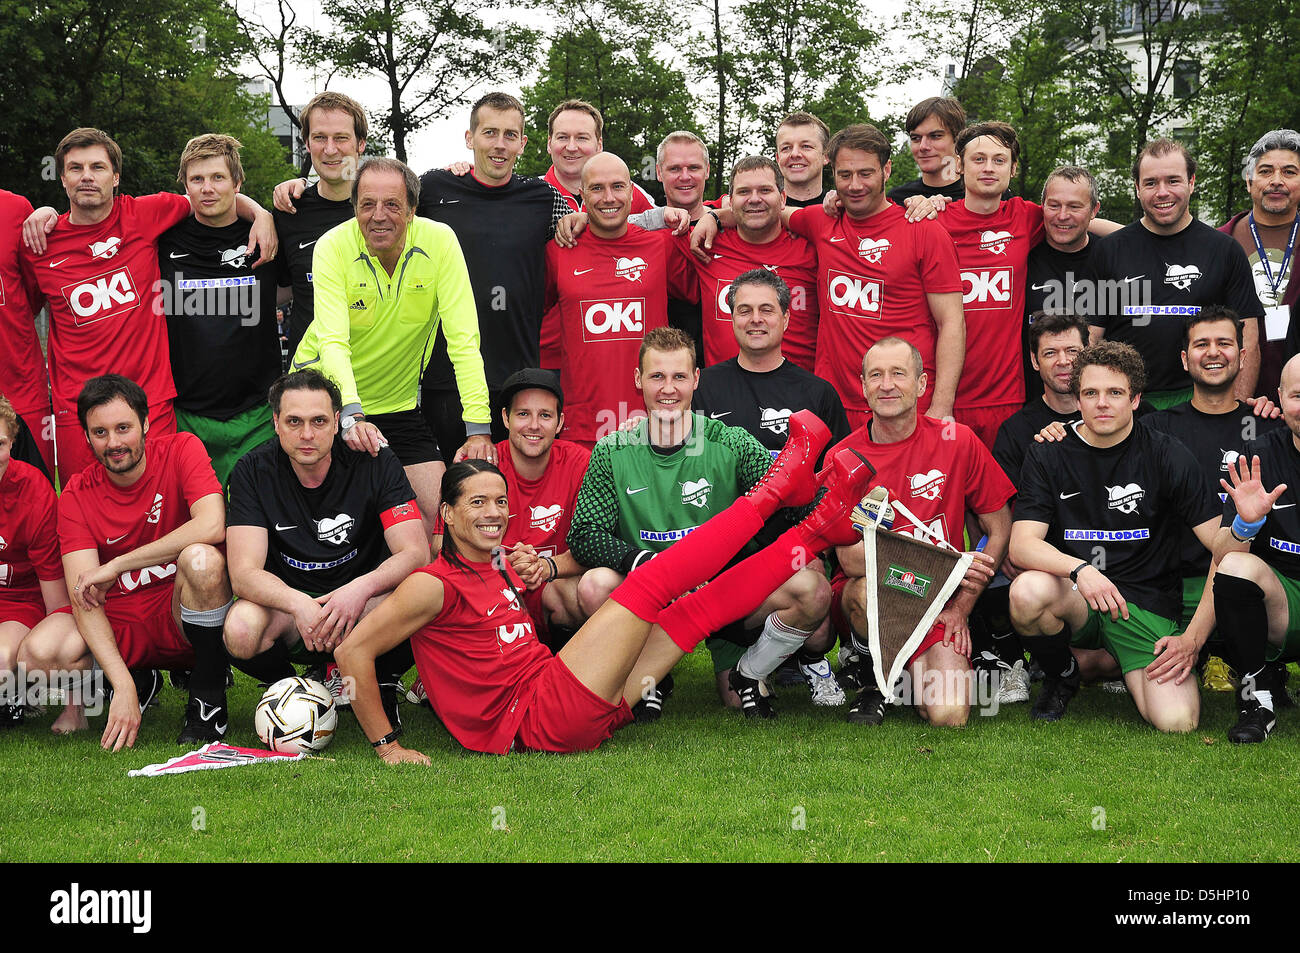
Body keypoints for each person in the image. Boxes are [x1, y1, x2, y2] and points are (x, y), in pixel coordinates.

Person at [333, 408, 876, 761]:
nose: (495, 513)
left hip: (583, 702)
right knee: (654, 581)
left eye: (501, 501)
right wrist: (387, 746)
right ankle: (782, 481)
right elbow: (354, 649)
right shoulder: (432, 584)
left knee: (696, 614)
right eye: (477, 503)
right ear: (446, 515)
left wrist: (537, 565)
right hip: (542, 715)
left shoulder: (493, 567)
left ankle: (818, 529)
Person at [568, 327, 844, 715]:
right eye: (657, 376)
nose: (668, 388)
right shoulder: (613, 449)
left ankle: (749, 671)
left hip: (721, 591)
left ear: (696, 379)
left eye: (679, 376)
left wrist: (840, 500)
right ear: (638, 380)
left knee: (813, 590)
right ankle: (652, 677)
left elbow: (790, 496)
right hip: (649, 589)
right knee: (595, 585)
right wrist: (644, 563)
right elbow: (584, 534)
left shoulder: (730, 441)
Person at [19, 127, 275, 478]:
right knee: (86, 514)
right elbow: (24, 311)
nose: (87, 177)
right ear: (62, 178)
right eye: (76, 169)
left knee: (164, 511)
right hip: (78, 410)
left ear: (116, 177)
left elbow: (210, 196)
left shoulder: (146, 214)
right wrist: (42, 212)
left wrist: (262, 214)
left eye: (98, 167)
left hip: (151, 404)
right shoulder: (40, 244)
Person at [1008, 342, 1220, 731]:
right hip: (1079, 598)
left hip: (1144, 604)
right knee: (1026, 592)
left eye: (1115, 393)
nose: (1102, 403)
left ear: (1136, 399)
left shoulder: (1167, 454)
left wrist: (1191, 639)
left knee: (1178, 721)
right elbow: (1022, 544)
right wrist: (1081, 570)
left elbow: (1224, 551)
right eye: (1091, 393)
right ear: (1077, 399)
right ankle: (1062, 673)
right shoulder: (1048, 453)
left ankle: (1105, 661)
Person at [18, 375, 233, 747]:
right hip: (123, 623)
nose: (114, 443)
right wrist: (121, 685)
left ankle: (207, 694)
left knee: (203, 561)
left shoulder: (183, 449)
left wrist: (119, 564)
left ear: (146, 424)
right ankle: (132, 680)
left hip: (179, 613)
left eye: (123, 428)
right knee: (37, 655)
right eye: (100, 432)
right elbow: (83, 596)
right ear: (86, 437)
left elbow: (213, 524)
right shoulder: (76, 494)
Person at [292, 156, 492, 539]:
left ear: (413, 210)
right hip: (325, 404)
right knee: (339, 531)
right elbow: (333, 342)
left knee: (450, 524)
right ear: (354, 208)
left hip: (399, 407)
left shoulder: (440, 241)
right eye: (367, 204)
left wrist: (478, 429)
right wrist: (349, 417)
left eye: (392, 205)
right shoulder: (333, 245)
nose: (378, 216)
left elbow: (463, 341)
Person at [222, 369, 429, 722]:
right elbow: (243, 574)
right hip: (291, 608)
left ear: (337, 422)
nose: (306, 434)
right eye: (294, 421)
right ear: (275, 422)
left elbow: (415, 552)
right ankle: (291, 689)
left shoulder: (375, 459)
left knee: (426, 595)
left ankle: (382, 682)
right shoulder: (252, 470)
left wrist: (358, 590)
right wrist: (297, 603)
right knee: (240, 631)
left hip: (366, 604)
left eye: (318, 421)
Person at [833, 337, 1013, 727]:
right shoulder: (843, 458)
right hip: (881, 593)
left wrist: (961, 607)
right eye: (875, 375)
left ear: (921, 384)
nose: (886, 385)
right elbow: (849, 560)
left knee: (950, 715)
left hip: (940, 603)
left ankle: (903, 673)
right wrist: (939, 567)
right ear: (862, 387)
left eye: (898, 374)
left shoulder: (958, 441)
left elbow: (999, 527)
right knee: (862, 592)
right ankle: (872, 679)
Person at [414, 93, 571, 455]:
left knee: (512, 495)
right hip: (446, 378)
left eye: (510, 135)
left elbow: (596, 225)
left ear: (523, 143)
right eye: (489, 133)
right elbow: (378, 209)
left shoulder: (543, 197)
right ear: (470, 138)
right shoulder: (433, 189)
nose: (499, 145)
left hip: (518, 380)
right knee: (455, 490)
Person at [1144, 308, 1283, 692]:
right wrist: (1060, 429)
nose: (1213, 352)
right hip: (1171, 583)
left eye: (1224, 343)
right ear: (1185, 359)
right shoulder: (1154, 428)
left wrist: (1282, 411)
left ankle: (1246, 658)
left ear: (1242, 356)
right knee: (1104, 663)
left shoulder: (1270, 426)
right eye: (1201, 344)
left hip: (1247, 579)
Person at [790, 124, 964, 427]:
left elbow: (951, 322)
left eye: (866, 174)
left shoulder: (923, 230)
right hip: (835, 405)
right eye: (845, 175)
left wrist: (942, 405)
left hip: (904, 404)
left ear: (886, 169)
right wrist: (715, 216)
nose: (855, 185)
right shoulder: (822, 221)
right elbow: (770, 213)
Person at [1088, 138, 1264, 407]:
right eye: (1150, 183)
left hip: (1201, 401)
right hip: (1125, 403)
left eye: (1173, 181)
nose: (1162, 192)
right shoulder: (1109, 250)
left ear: (1191, 183)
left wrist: (1235, 413)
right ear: (1137, 188)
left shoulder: (1225, 250)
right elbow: (1091, 338)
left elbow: (1248, 341)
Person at [543, 153, 694, 448]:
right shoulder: (558, 250)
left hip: (656, 421)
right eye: (597, 188)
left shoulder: (662, 244)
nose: (608, 197)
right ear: (582, 195)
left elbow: (701, 290)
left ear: (631, 191)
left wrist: (715, 216)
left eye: (618, 187)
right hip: (582, 425)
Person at [431, 369, 591, 646]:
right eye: (523, 414)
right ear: (505, 417)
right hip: (489, 590)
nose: (534, 425)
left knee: (595, 585)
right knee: (444, 586)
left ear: (560, 421)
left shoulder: (580, 462)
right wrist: (504, 564)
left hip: (549, 585)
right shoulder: (481, 464)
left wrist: (543, 566)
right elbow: (438, 545)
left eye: (545, 415)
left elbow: (597, 545)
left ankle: (584, 668)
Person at [159, 134, 282, 486]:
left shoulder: (267, 237)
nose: (208, 188)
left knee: (256, 526)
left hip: (257, 414)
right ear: (185, 185)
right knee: (197, 528)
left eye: (218, 178)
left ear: (237, 183)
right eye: (197, 179)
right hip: (186, 415)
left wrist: (262, 214)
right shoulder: (163, 237)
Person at [1211, 354, 1300, 741]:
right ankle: (1257, 698)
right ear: (1279, 398)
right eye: (1298, 395)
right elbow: (1219, 552)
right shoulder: (1258, 456)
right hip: (1285, 602)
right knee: (1234, 566)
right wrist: (1246, 523)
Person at [673, 156, 820, 372]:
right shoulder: (704, 244)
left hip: (799, 398)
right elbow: (625, 228)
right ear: (729, 201)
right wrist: (708, 216)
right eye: (744, 192)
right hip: (726, 397)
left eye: (765, 190)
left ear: (782, 198)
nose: (754, 199)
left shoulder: (814, 250)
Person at [695, 268, 849, 458]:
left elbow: (835, 472)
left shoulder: (819, 394)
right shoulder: (702, 388)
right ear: (733, 319)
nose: (756, 319)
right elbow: (691, 464)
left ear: (785, 319)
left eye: (766, 310)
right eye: (745, 311)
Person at [272, 91, 371, 356]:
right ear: (306, 143)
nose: (330, 149)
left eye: (341, 138)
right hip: (309, 382)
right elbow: (280, 289)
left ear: (360, 143)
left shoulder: (389, 210)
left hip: (378, 383)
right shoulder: (288, 211)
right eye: (319, 138)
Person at [0, 396, 67, 726]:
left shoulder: (33, 491)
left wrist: (48, 652)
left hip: (18, 601)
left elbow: (56, 599)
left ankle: (22, 689)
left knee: (0, 660)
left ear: (12, 441)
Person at [1222, 129, 1300, 402]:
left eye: (1289, 172)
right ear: (1249, 181)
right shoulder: (1218, 244)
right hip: (1229, 401)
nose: (1276, 181)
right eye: (1266, 171)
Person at [1023, 166, 1102, 401]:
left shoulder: (1112, 258)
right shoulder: (1021, 257)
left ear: (1094, 210)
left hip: (1094, 406)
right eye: (1054, 205)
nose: (1062, 215)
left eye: (1075, 206)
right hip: (1031, 404)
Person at [0, 189, 53, 472]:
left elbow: (32, 296)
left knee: (36, 502)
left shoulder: (15, 209)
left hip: (20, 390)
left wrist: (50, 212)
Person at [544, 99, 656, 214]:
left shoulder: (628, 192)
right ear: (549, 144)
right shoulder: (530, 194)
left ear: (599, 145)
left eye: (582, 138)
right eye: (563, 137)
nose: (571, 147)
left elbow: (665, 225)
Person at [886, 97, 967, 204]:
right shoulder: (898, 200)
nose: (923, 146)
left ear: (957, 140)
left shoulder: (978, 199)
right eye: (915, 138)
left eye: (935, 136)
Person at [774, 112, 831, 208]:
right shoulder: (761, 214)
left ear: (826, 156)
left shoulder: (843, 211)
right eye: (786, 148)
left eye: (806, 146)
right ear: (778, 158)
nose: (795, 154)